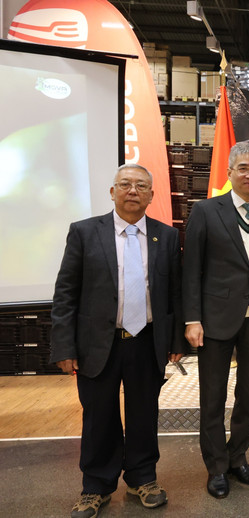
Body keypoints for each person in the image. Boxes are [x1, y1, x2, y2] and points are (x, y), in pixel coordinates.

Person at [51, 164, 184, 518]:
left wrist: (175, 341)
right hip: (97, 343)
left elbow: (174, 294)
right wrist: (64, 347)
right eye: (125, 184)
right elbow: (66, 294)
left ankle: (144, 478)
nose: (133, 191)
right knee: (99, 417)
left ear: (151, 195)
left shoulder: (166, 236)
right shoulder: (84, 232)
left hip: (146, 341)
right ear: (112, 192)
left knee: (145, 414)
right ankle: (95, 486)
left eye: (141, 186)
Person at [182, 142, 249, 499]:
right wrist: (192, 318)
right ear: (230, 173)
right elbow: (192, 269)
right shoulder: (206, 211)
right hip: (214, 320)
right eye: (243, 168)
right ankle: (215, 467)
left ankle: (237, 456)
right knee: (212, 397)